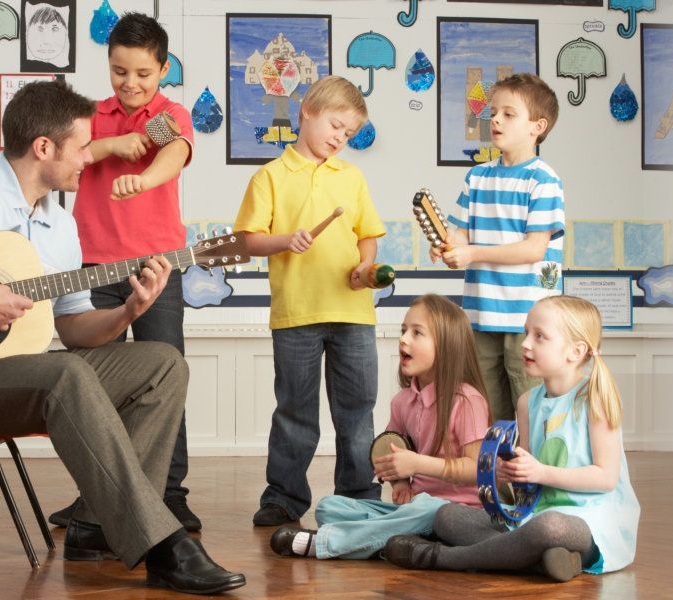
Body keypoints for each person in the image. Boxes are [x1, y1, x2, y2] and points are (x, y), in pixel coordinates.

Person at [0, 80, 244, 595]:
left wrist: (129, 311)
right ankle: (163, 545)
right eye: (81, 148)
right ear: (44, 148)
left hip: (21, 374)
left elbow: (74, 330)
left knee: (162, 363)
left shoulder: (61, 225)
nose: (87, 161)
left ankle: (94, 525)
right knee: (64, 376)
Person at [45, 11, 205, 534]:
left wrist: (144, 180)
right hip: (91, 264)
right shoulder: (91, 115)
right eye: (119, 71)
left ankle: (170, 494)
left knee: (167, 376)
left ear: (162, 69)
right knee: (89, 388)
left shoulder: (167, 115)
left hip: (157, 263)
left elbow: (174, 151)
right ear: (108, 67)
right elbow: (73, 159)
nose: (130, 83)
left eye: (142, 73)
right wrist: (109, 146)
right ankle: (94, 497)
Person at [381, 296, 640, 583]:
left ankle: (444, 558)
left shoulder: (594, 400)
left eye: (539, 336)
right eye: (526, 333)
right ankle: (544, 560)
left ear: (575, 351)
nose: (526, 343)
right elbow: (527, 487)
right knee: (447, 517)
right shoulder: (527, 402)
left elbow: (605, 478)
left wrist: (541, 472)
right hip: (535, 516)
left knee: (549, 527)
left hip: (591, 520)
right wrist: (513, 474)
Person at [232, 75, 388, 527]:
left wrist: (363, 267)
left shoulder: (352, 177)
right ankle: (284, 496)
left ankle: (358, 495)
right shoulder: (270, 177)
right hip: (296, 313)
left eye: (349, 133)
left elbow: (368, 238)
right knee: (295, 412)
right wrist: (285, 239)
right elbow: (247, 241)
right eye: (336, 126)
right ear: (306, 111)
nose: (340, 138)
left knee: (357, 412)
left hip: (353, 313)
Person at [268, 294, 490, 560]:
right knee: (329, 507)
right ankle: (397, 542)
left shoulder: (467, 401)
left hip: (456, 513)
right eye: (404, 331)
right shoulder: (403, 402)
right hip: (414, 510)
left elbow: (477, 469)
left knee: (430, 511)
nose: (404, 339)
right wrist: (399, 481)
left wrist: (417, 465)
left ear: (447, 346)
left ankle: (328, 543)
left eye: (417, 333)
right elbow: (390, 450)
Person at [433, 73, 569, 423]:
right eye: (494, 112)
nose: (494, 119)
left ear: (536, 127)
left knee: (531, 408)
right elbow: (460, 234)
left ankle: (535, 477)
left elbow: (534, 249)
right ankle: (498, 478)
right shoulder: (476, 177)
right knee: (487, 410)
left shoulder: (544, 181)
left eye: (509, 114)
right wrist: (448, 247)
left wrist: (471, 253)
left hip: (529, 319)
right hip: (480, 316)